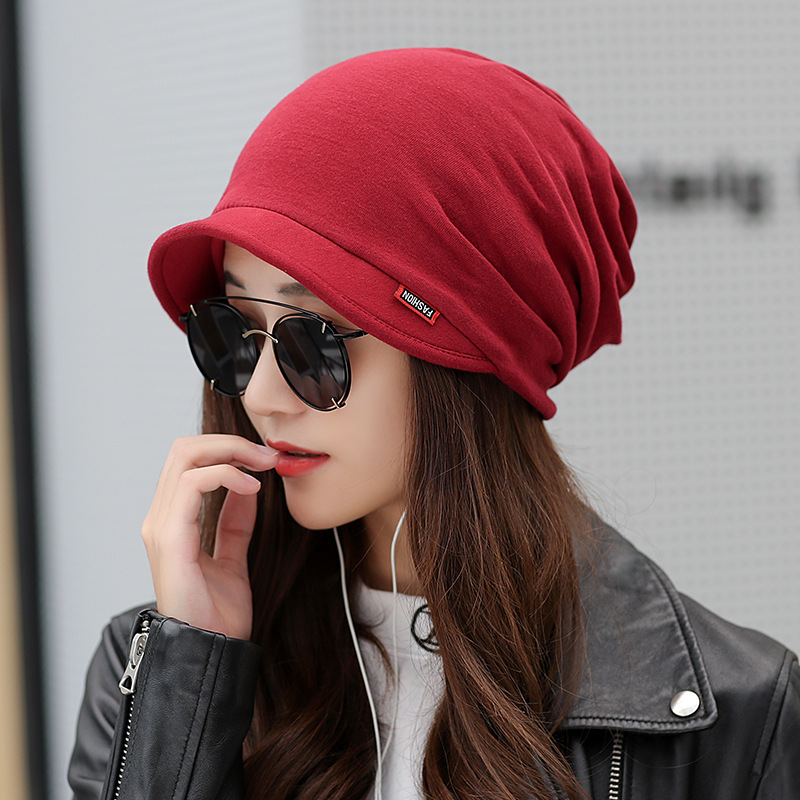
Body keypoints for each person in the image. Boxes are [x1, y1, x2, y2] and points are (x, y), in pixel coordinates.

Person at [68, 48, 799, 800]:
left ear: (465, 358)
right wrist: (193, 684)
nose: (260, 395)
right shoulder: (159, 671)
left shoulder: (738, 719)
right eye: (233, 330)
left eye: (314, 340)